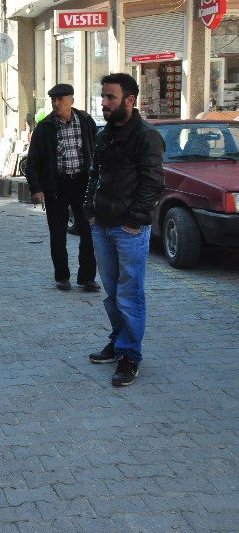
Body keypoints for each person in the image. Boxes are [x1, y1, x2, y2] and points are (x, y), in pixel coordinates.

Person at [85, 73, 165, 388]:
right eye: (103, 97)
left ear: (129, 100)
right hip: (101, 225)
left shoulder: (146, 136)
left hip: (129, 229)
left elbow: (154, 183)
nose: (103, 103)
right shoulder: (104, 135)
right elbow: (94, 174)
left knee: (130, 293)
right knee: (113, 292)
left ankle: (130, 355)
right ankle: (119, 341)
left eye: (110, 97)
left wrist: (135, 219)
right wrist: (89, 211)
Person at [25, 83, 100, 292]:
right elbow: (33, 162)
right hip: (56, 186)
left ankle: (87, 278)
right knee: (58, 233)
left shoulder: (85, 121)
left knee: (88, 231)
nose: (57, 104)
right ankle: (62, 277)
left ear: (71, 101)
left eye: (61, 99)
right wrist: (36, 189)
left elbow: (97, 151)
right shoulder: (45, 127)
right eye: (54, 100)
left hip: (82, 184)